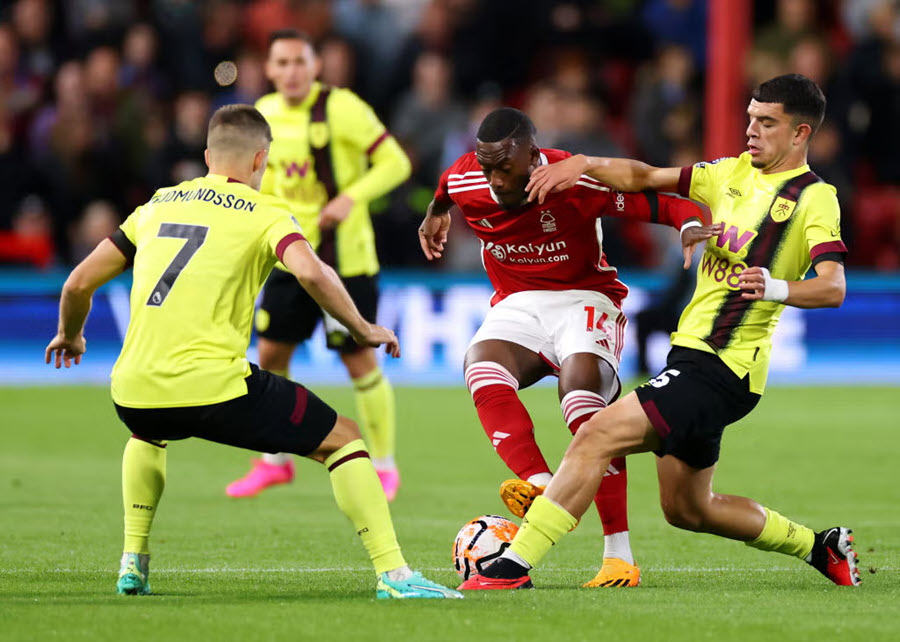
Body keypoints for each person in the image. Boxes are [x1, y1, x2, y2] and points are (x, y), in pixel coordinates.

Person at [458, 74, 860, 590]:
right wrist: (583, 163)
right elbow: (645, 177)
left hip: (724, 365)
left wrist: (775, 286)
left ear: (801, 133)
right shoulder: (729, 172)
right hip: (690, 357)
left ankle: (512, 566)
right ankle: (820, 547)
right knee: (688, 509)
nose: (751, 130)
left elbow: (832, 286)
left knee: (595, 434)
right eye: (750, 118)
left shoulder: (814, 197)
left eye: (767, 122)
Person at [44, 104, 461, 600]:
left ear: (207, 156)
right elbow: (311, 272)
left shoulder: (156, 205)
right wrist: (361, 327)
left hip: (134, 389)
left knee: (148, 430)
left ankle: (133, 563)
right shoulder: (265, 212)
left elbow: (77, 283)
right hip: (216, 390)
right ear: (261, 159)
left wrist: (70, 335)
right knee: (344, 440)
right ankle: (394, 574)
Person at [419, 107, 715, 588]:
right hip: (518, 302)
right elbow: (445, 189)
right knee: (481, 367)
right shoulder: (467, 178)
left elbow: (664, 206)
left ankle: (618, 556)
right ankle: (541, 485)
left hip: (585, 299)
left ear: (533, 156)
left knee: (582, 404)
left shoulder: (573, 181)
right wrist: (435, 215)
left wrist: (687, 227)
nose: (495, 180)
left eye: (505, 168)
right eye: (487, 167)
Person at [226, 29, 411, 500]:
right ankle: (273, 462)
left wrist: (351, 197)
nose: (292, 71)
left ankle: (385, 467)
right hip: (287, 258)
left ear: (316, 66)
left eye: (300, 62)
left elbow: (396, 163)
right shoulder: (262, 113)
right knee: (271, 358)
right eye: (282, 63)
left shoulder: (344, 108)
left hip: (344, 261)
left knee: (359, 359)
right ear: (269, 69)